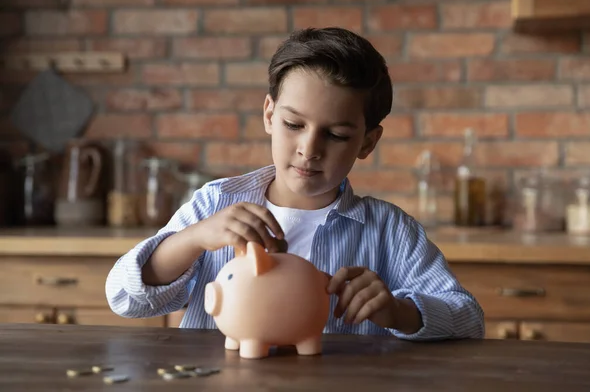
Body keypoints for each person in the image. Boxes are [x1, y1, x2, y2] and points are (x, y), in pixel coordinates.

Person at [105, 26, 485, 341]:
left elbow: (468, 318)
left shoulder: (390, 231)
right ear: (270, 115)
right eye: (293, 125)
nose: (309, 149)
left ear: (367, 142)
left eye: (335, 135)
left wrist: (399, 311)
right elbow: (124, 298)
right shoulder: (214, 204)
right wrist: (192, 239)